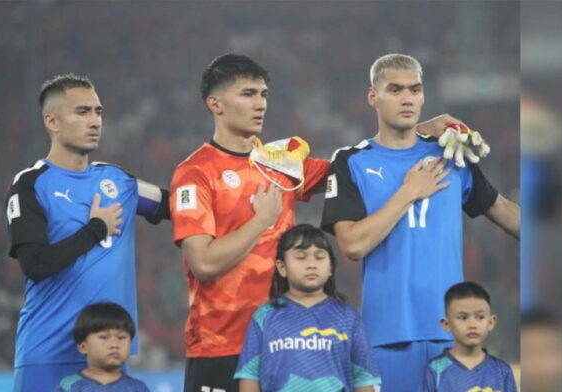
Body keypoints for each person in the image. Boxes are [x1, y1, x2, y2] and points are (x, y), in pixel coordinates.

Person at [171, 53, 475, 392]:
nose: (260, 104)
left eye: (264, 94)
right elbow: (204, 263)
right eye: (248, 94)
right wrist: (262, 221)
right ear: (215, 103)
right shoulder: (195, 173)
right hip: (223, 345)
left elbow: (356, 166)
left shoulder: (279, 165)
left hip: (286, 343)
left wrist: (417, 129)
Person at [320, 53, 520, 392]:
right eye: (395, 90)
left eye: (415, 89)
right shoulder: (350, 161)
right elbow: (353, 244)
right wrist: (409, 192)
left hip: (453, 335)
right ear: (373, 97)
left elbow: (503, 211)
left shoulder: (451, 155)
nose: (408, 98)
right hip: (388, 334)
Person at [6, 73, 169, 392]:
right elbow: (35, 265)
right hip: (48, 353)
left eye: (98, 112)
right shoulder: (30, 183)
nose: (95, 121)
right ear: (52, 121)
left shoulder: (120, 182)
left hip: (107, 358)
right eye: (82, 112)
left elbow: (177, 205)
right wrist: (96, 228)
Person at [234, 224, 381, 392]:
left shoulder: (348, 317)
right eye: (301, 257)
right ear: (282, 267)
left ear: (331, 268)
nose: (311, 264)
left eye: (319, 257)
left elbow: (364, 379)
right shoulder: (265, 316)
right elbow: (249, 377)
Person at [418, 282, 517, 392]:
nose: (472, 325)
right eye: (463, 318)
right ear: (447, 324)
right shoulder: (435, 369)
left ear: (491, 322)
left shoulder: (502, 370)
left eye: (480, 317)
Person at [55, 302, 150, 392]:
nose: (114, 345)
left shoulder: (137, 388)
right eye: (104, 337)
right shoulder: (69, 386)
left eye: (121, 337)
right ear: (83, 347)